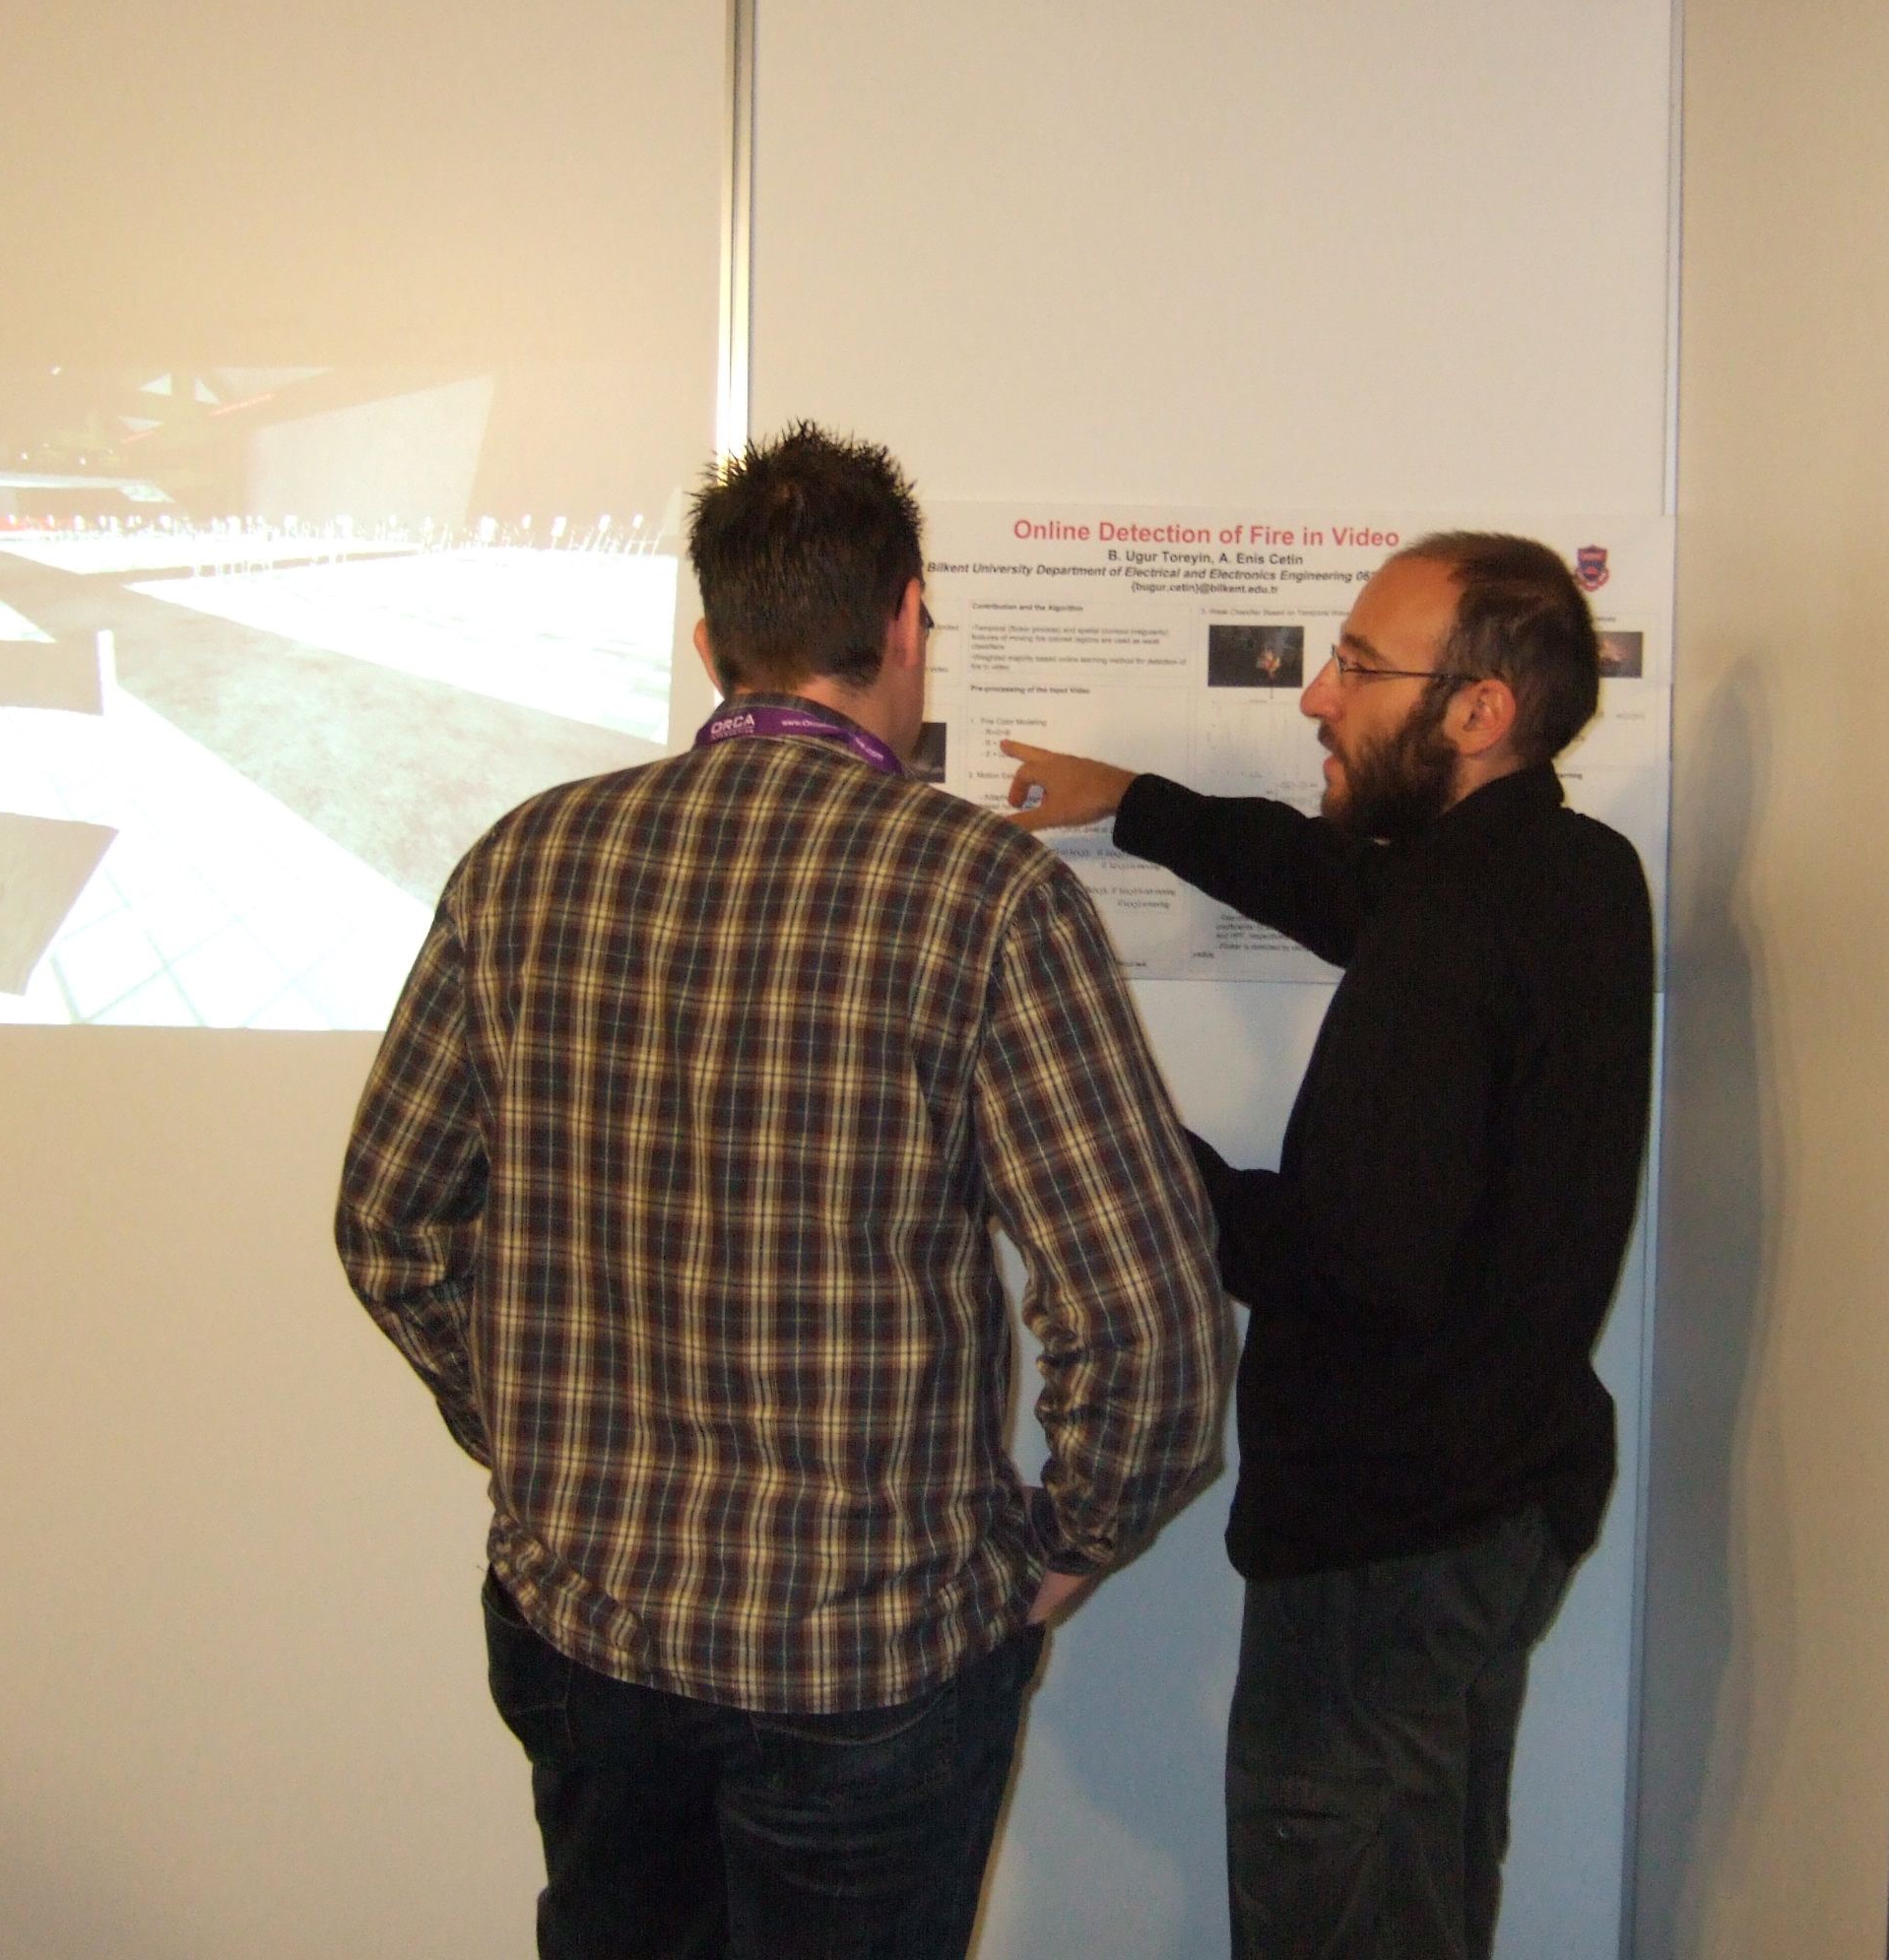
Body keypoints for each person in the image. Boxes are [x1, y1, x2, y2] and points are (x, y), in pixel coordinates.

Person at [338, 421, 1231, 1960]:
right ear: (906, 620)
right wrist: (1066, 1549)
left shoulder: (524, 861)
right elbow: (1148, 1323)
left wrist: (532, 1436)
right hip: (872, 1660)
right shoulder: (984, 890)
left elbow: (390, 1221)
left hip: (586, 1624)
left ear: (710, 644)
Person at [1002, 533, 1655, 1960]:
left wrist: (1110, 1146)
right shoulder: (1571, 871)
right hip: (1496, 1507)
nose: (1317, 697)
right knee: (1423, 1895)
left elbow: (1346, 1262)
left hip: (1385, 1547)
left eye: (1358, 667)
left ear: (1477, 710)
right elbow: (1338, 889)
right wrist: (1133, 803)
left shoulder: (1458, 921)